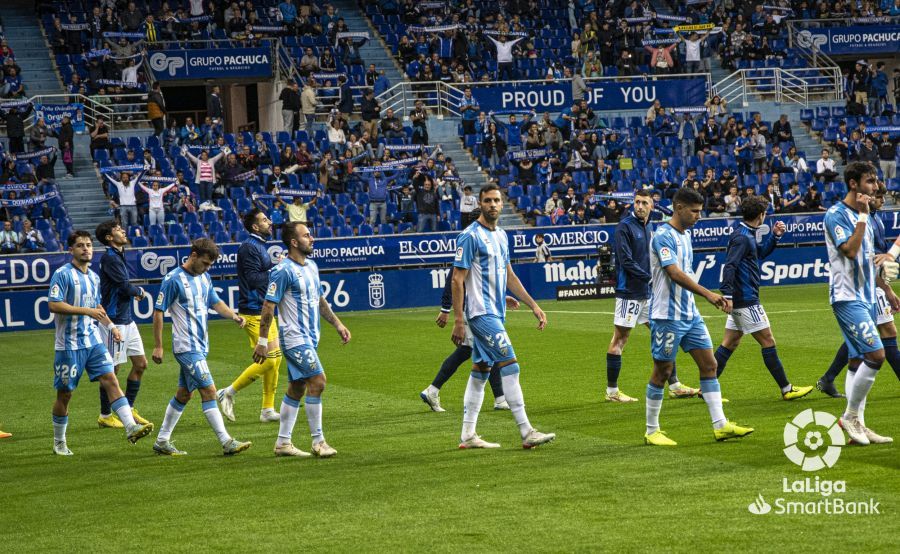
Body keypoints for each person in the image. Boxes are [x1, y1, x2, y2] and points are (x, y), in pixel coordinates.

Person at [643, 188, 754, 446]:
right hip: (666, 315)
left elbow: (687, 272)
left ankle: (721, 425)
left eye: (700, 210)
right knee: (663, 370)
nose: (698, 216)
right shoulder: (663, 236)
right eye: (694, 211)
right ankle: (651, 431)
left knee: (709, 365)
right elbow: (673, 272)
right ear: (678, 208)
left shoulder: (685, 236)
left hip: (690, 314)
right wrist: (709, 294)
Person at [451, 184, 555, 449]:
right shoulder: (470, 236)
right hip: (480, 314)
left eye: (497, 200)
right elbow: (457, 279)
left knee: (481, 370)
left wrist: (532, 304)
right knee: (511, 365)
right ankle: (526, 431)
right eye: (488, 201)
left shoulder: (501, 236)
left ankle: (468, 435)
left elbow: (507, 274)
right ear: (480, 204)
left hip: (496, 310)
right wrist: (459, 320)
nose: (493, 205)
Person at [48, 230, 154, 455]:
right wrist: (86, 311)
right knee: (65, 394)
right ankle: (59, 441)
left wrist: (111, 327)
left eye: (88, 245)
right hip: (69, 345)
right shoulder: (62, 274)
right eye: (80, 245)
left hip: (93, 341)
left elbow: (98, 309)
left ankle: (129, 427)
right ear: (71, 250)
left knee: (110, 379)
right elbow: (54, 304)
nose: (86, 249)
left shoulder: (94, 278)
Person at [254, 222, 349, 458]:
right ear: (294, 242)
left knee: (297, 387)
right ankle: (319, 441)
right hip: (295, 339)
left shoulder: (312, 267)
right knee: (318, 381)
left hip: (311, 337)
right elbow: (269, 306)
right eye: (307, 235)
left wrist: (337, 324)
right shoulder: (282, 270)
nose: (312, 238)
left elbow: (319, 299)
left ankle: (283, 443)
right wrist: (263, 341)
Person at [151, 238, 252, 456]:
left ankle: (161, 441)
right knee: (209, 391)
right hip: (186, 347)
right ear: (193, 255)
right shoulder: (173, 280)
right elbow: (158, 311)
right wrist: (158, 346)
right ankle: (227, 442)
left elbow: (215, 302)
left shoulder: (204, 277)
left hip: (201, 345)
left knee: (184, 394)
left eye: (210, 265)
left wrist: (234, 316)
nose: (207, 268)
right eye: (205, 263)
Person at [819, 162, 896, 445]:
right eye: (869, 181)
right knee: (877, 356)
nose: (875, 187)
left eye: (875, 181)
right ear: (853, 184)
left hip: (866, 295)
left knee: (856, 360)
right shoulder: (836, 215)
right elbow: (850, 252)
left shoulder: (867, 218)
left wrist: (886, 289)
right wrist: (863, 217)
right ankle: (850, 416)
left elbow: (867, 260)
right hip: (846, 296)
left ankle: (859, 427)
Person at [712, 196, 813, 400]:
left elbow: (758, 254)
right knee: (768, 340)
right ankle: (786, 389)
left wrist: (774, 236)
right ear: (761, 215)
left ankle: (707, 389)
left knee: (729, 343)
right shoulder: (742, 237)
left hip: (741, 299)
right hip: (746, 300)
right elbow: (730, 265)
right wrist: (728, 294)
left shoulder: (745, 234)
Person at [606, 190, 699, 403]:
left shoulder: (649, 227)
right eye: (637, 202)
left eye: (644, 203)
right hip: (629, 292)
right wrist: (650, 277)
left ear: (652, 206)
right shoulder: (624, 227)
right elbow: (625, 261)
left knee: (663, 332)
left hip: (648, 293)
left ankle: (675, 385)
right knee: (620, 338)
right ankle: (612, 392)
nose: (639, 206)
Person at [217, 209, 284, 423]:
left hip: (264, 309)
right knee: (269, 360)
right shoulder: (249, 247)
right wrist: (279, 268)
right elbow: (255, 279)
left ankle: (267, 409)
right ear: (255, 227)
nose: (270, 222)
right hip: (253, 309)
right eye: (265, 220)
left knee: (276, 358)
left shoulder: (259, 246)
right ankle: (228, 391)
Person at [420, 266, 514, 413]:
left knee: (468, 351)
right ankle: (500, 399)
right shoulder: (469, 245)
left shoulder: (479, 251)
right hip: (473, 311)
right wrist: (445, 309)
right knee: (487, 349)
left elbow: (481, 284)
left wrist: (501, 297)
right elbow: (454, 279)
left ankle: (432, 390)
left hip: (481, 309)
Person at [95, 220, 153, 430]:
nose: (122, 231)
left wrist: (132, 292)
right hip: (114, 320)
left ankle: (128, 408)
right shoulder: (110, 258)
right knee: (113, 370)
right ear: (109, 237)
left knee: (141, 364)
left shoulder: (117, 255)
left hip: (127, 319)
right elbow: (123, 286)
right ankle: (105, 415)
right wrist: (139, 292)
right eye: (118, 230)